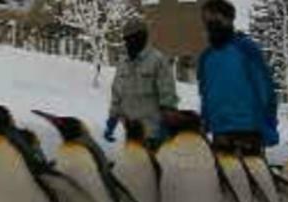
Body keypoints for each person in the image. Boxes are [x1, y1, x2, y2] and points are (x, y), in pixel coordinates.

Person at [197, 0, 279, 155]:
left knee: (250, 178)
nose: (209, 23)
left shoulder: (246, 48)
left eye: (214, 18)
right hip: (219, 131)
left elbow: (265, 90)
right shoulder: (206, 57)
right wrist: (205, 121)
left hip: (248, 129)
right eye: (206, 19)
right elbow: (205, 94)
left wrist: (269, 125)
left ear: (228, 19)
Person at [105, 18, 180, 149]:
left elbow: (167, 95)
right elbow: (117, 94)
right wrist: (112, 119)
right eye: (126, 39)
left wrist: (167, 124)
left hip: (153, 135)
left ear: (142, 37)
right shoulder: (123, 63)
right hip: (131, 133)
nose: (129, 42)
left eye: (133, 38)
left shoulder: (158, 61)